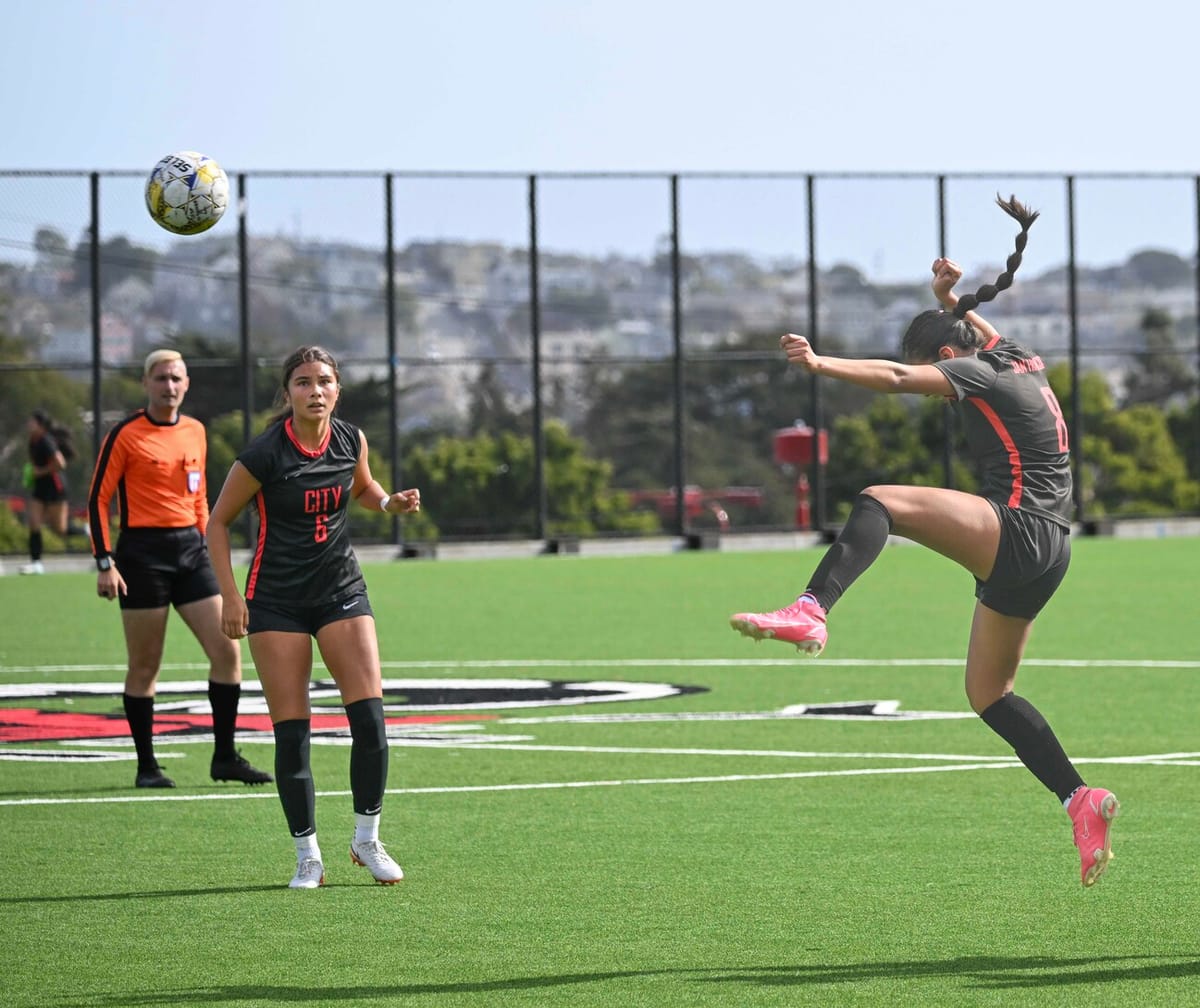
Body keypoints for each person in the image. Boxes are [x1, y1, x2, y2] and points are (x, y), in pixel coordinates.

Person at [730, 196, 1120, 888]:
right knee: (988, 692)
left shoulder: (975, 373)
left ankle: (812, 608)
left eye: (941, 379)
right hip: (1053, 551)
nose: (942, 393)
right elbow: (969, 336)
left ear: (948, 359)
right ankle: (1078, 798)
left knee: (881, 500)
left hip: (1021, 530)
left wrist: (820, 365)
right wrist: (949, 299)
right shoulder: (1017, 358)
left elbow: (897, 377)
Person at [205, 345, 421, 890]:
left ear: (337, 389)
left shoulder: (351, 438)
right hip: (276, 600)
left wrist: (388, 502)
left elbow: (361, 485)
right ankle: (307, 855)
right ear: (289, 393)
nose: (315, 390)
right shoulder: (264, 454)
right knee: (292, 732)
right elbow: (217, 523)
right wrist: (231, 597)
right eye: (303, 382)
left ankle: (366, 839)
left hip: (340, 591)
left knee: (370, 721)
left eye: (324, 381)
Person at [87, 349, 272, 790]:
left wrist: (212, 547)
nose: (169, 386)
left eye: (176, 379)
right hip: (142, 556)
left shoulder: (196, 431)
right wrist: (105, 562)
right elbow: (97, 498)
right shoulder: (125, 434)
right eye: (161, 378)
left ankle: (224, 757)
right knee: (145, 664)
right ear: (146, 384)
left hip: (191, 552)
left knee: (228, 651)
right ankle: (147, 767)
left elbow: (200, 498)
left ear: (187, 384)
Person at [21, 408, 75, 575]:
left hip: (55, 488)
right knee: (34, 523)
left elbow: (60, 463)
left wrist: (41, 471)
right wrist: (31, 473)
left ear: (41, 426)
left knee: (60, 529)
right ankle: (36, 563)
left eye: (33, 422)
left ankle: (87, 532)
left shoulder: (46, 441)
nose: (29, 424)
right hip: (39, 488)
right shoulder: (33, 440)